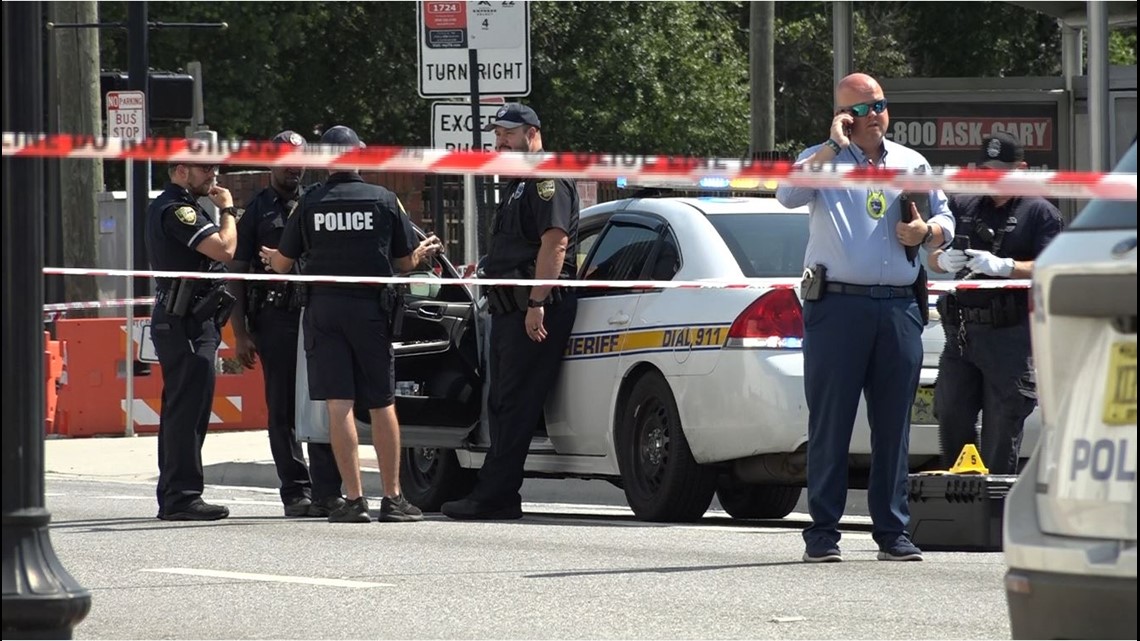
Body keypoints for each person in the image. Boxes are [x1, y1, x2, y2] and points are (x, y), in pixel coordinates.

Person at [775, 73, 956, 562]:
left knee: (894, 425)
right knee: (831, 421)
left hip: (898, 305)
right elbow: (787, 194)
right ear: (841, 117)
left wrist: (926, 231)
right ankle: (823, 533)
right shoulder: (822, 161)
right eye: (859, 110)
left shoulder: (910, 162)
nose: (872, 115)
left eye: (878, 105)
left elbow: (946, 221)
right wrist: (831, 149)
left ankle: (893, 533)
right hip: (837, 305)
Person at [266, 125, 442, 523]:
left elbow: (282, 262)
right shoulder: (383, 199)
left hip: (323, 312)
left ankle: (354, 499)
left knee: (338, 404)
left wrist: (270, 257)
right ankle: (393, 498)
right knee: (381, 403)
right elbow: (401, 263)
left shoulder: (310, 202)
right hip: (370, 312)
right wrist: (421, 254)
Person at [441, 103, 580, 521]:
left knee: (514, 402)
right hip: (510, 311)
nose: (500, 140)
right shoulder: (521, 182)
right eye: (497, 133)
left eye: (509, 133)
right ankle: (496, 491)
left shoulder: (546, 180)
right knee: (502, 402)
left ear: (533, 134)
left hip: (532, 311)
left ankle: (496, 495)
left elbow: (554, 243)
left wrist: (537, 302)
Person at [928, 132, 1063, 474]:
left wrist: (1007, 267)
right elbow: (931, 256)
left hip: (1010, 338)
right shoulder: (963, 205)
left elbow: (1052, 268)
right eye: (988, 170)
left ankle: (995, 519)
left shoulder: (1041, 212)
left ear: (1022, 169)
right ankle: (961, 511)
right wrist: (943, 261)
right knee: (951, 416)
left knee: (1001, 433)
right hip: (962, 334)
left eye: (1003, 171)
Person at [227, 130, 345, 518]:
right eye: (286, 161)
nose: (293, 168)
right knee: (282, 408)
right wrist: (241, 332)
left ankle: (329, 489)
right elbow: (239, 273)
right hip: (275, 318)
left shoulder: (316, 201)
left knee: (322, 402)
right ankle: (296, 491)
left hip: (315, 313)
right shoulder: (257, 210)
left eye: (299, 161)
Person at [146, 141, 243, 521]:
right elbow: (224, 249)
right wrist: (229, 211)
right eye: (205, 169)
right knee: (188, 409)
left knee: (182, 407)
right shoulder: (178, 209)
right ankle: (182, 496)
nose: (213, 176)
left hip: (187, 317)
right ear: (181, 169)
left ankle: (175, 492)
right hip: (185, 318)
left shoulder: (178, 205)